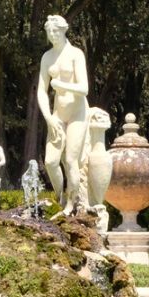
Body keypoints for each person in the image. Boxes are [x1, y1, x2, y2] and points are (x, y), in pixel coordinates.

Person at [36, 14, 91, 214]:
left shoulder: (76, 54)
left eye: (55, 31)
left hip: (77, 113)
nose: (52, 35)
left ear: (63, 30)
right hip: (58, 115)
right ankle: (61, 197)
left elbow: (84, 88)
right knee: (51, 162)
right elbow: (41, 91)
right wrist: (48, 117)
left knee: (70, 161)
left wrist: (61, 85)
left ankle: (71, 205)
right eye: (49, 31)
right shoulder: (47, 57)